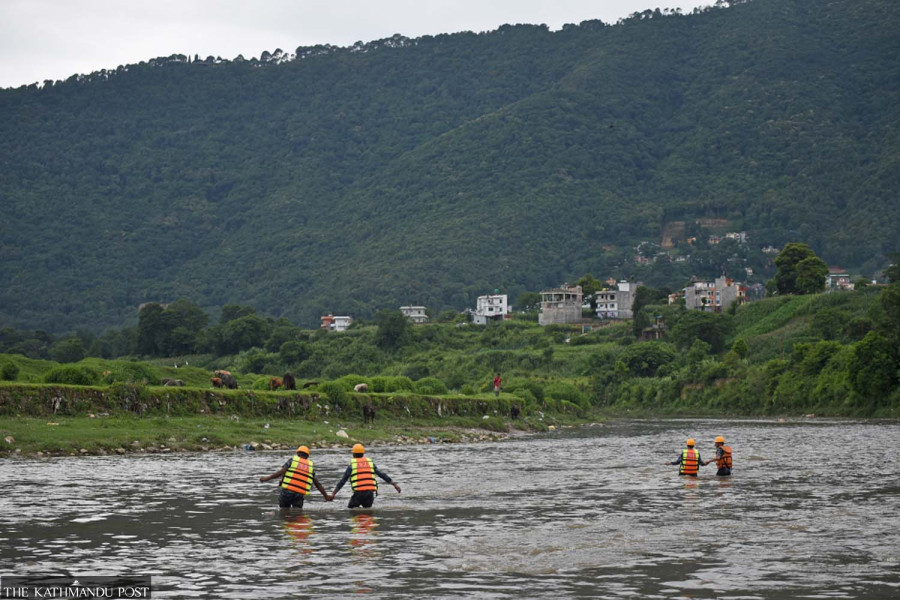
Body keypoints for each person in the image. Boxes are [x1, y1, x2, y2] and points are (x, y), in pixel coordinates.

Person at [331, 443, 401, 508]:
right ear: (363, 453)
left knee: (351, 511)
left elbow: (343, 481)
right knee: (368, 515)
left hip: (358, 494)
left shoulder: (352, 466)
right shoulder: (370, 464)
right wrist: (394, 484)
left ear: (353, 454)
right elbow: (382, 474)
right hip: (370, 494)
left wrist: (333, 494)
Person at [259, 445, 332, 508]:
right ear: (307, 456)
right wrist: (326, 496)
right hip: (299, 495)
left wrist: (266, 478)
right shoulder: (310, 466)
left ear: (297, 454)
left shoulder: (292, 460)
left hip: (287, 493)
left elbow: (281, 472)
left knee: (284, 512)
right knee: (297, 515)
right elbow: (317, 484)